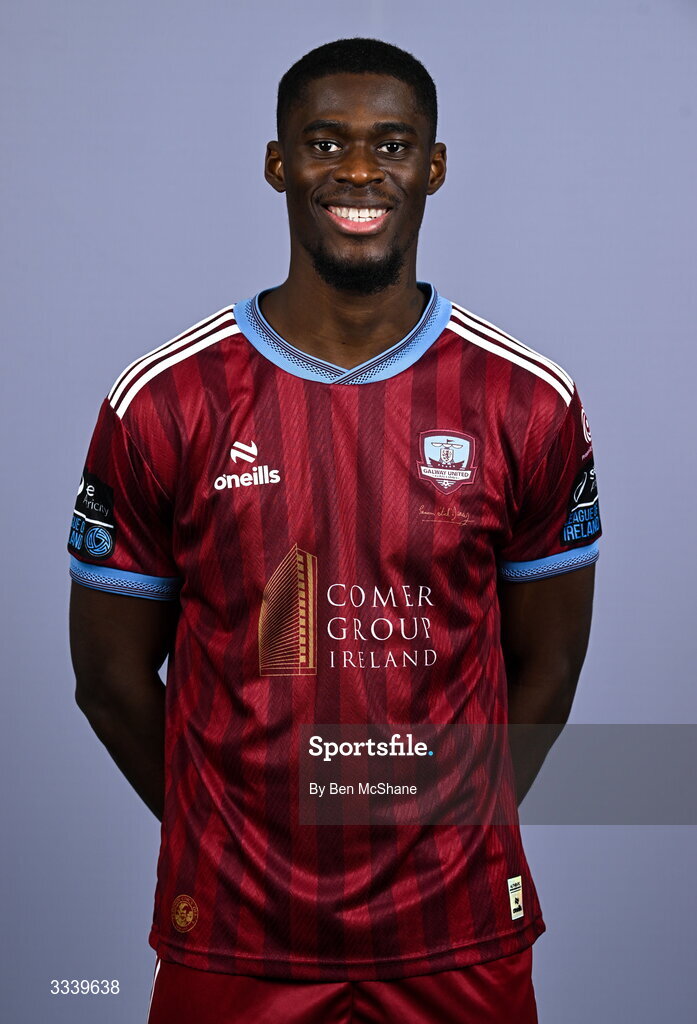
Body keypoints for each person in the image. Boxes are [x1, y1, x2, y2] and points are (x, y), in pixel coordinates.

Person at [68, 37, 602, 1024]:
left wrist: (450, 833)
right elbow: (107, 679)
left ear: (433, 167)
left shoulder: (527, 400)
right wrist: (229, 837)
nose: (359, 171)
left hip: (454, 931)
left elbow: (550, 667)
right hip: (237, 932)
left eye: (391, 145)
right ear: (279, 164)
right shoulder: (165, 399)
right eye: (325, 143)